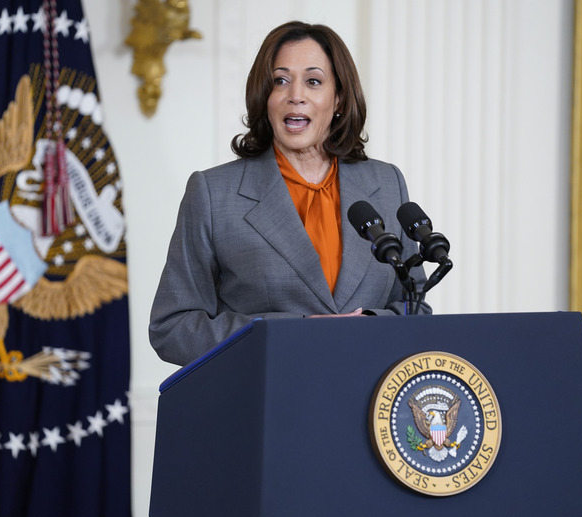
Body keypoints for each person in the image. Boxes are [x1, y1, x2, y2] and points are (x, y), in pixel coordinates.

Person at [149, 21, 430, 366]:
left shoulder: (387, 183)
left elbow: (415, 305)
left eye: (313, 81)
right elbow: (173, 328)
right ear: (265, 98)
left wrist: (369, 325)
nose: (295, 94)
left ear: (339, 98)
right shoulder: (212, 194)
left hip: (367, 404)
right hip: (267, 405)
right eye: (280, 81)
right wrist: (290, 332)